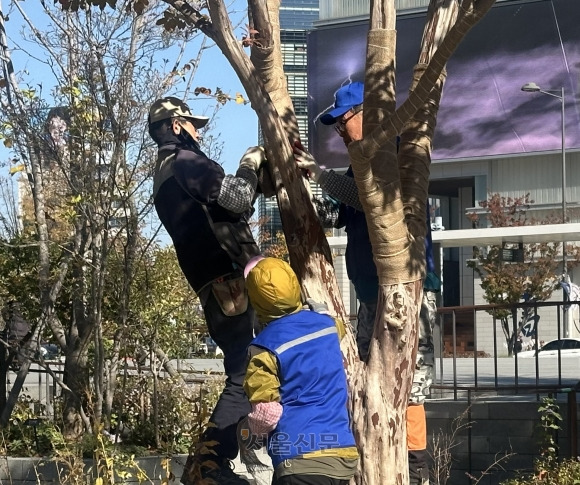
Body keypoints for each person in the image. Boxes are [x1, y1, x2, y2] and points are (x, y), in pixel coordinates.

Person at [294, 82, 438, 485]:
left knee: (409, 387)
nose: (340, 130)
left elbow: (367, 199)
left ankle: (416, 469)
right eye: (336, 125)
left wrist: (318, 174)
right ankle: (370, 463)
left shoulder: (393, 153)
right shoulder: (357, 164)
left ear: (367, 112)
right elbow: (335, 214)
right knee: (366, 380)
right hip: (370, 293)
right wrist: (299, 182)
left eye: (344, 120)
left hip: (408, 294)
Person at [148, 97, 266, 485]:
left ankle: (209, 465)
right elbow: (237, 198)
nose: (200, 131)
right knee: (247, 373)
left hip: (213, 286)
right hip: (230, 278)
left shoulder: (163, 172)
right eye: (193, 124)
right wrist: (250, 165)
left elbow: (228, 211)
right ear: (177, 125)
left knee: (246, 370)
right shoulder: (185, 161)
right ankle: (208, 466)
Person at [243, 257, 359, 485]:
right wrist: (317, 312)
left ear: (255, 300)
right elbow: (341, 328)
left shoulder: (264, 348)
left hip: (299, 459)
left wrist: (250, 433)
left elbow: (267, 412)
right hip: (342, 454)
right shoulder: (328, 326)